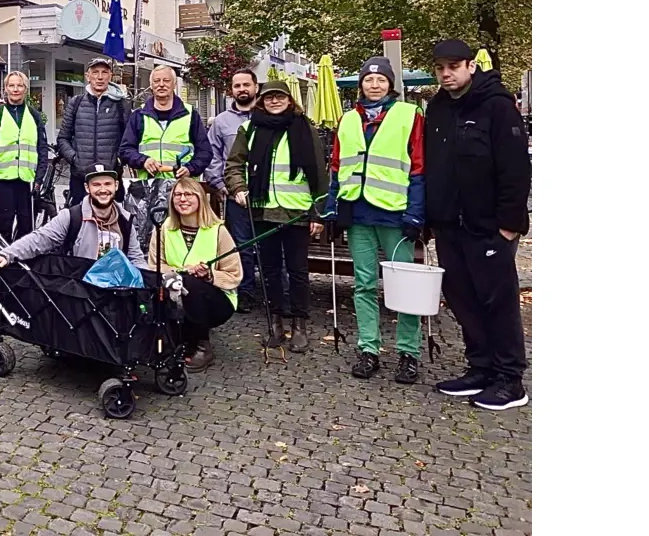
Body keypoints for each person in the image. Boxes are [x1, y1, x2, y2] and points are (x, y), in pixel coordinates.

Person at [424, 40, 531, 411]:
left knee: (497, 301)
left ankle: (510, 379)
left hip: (488, 226)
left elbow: (516, 169)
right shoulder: (437, 107)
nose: (446, 73)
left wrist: (508, 225)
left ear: (471, 66)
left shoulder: (497, 106)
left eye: (453, 66)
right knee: (463, 299)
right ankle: (480, 368)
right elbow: (434, 166)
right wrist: (432, 218)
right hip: (449, 225)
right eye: (440, 68)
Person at [325, 57, 426, 384]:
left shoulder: (409, 115)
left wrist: (416, 212)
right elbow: (337, 167)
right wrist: (331, 208)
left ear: (390, 84)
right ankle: (368, 348)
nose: (374, 84)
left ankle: (408, 353)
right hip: (358, 214)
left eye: (380, 79)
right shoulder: (348, 119)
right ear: (361, 84)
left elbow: (419, 168)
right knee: (364, 285)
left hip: (396, 214)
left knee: (405, 287)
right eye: (368, 79)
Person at [224, 81, 326, 354]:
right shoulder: (249, 129)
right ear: (261, 101)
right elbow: (234, 164)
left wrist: (318, 211)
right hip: (263, 209)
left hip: (298, 212)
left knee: (297, 271)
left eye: (280, 97)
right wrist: (239, 188)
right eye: (269, 98)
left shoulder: (306, 129)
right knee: (268, 270)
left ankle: (300, 324)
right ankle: (276, 322)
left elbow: (319, 171)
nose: (274, 101)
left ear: (290, 100)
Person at [149, 177, 241, 370]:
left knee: (191, 283)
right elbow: (155, 265)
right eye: (178, 195)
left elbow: (234, 273)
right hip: (174, 291)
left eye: (189, 194)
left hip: (216, 300)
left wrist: (209, 275)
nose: (183, 199)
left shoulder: (218, 231)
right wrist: (179, 273)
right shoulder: (164, 228)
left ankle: (202, 345)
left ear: (200, 198)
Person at [0, 164, 146, 271]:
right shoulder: (72, 217)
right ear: (87, 188)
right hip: (83, 294)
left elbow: (136, 259)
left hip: (116, 294)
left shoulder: (126, 220)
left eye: (107, 184)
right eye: (96, 185)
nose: (103, 190)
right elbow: (39, 239)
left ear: (116, 186)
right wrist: (5, 255)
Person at [206, 68, 263, 312]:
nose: (242, 89)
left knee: (271, 245)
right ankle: (246, 291)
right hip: (234, 195)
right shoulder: (221, 122)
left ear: (256, 87)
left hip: (269, 194)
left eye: (246, 85)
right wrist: (219, 184)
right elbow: (213, 156)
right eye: (237, 86)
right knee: (242, 245)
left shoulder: (268, 114)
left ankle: (276, 293)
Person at [120, 64, 212, 183]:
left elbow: (205, 152)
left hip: (182, 187)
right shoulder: (139, 115)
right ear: (151, 85)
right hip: (149, 187)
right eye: (156, 81)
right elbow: (125, 150)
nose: (161, 84)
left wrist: (191, 168)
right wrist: (143, 161)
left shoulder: (190, 115)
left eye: (166, 80)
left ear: (174, 84)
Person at [0, 70, 46, 245]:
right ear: (6, 89)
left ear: (25, 89)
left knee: (27, 229)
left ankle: (22, 267)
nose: (15, 89)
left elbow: (42, 149)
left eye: (19, 85)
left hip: (27, 183)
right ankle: (2, 268)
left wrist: (39, 180)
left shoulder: (34, 116)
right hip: (2, 181)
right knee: (4, 228)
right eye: (12, 85)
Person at [58, 57, 128, 205]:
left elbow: (128, 140)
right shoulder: (75, 103)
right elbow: (63, 138)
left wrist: (118, 161)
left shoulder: (121, 105)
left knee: (112, 224)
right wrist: (75, 159)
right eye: (95, 72)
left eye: (104, 72)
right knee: (79, 223)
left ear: (110, 75)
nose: (100, 77)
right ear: (87, 76)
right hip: (81, 178)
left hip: (110, 178)